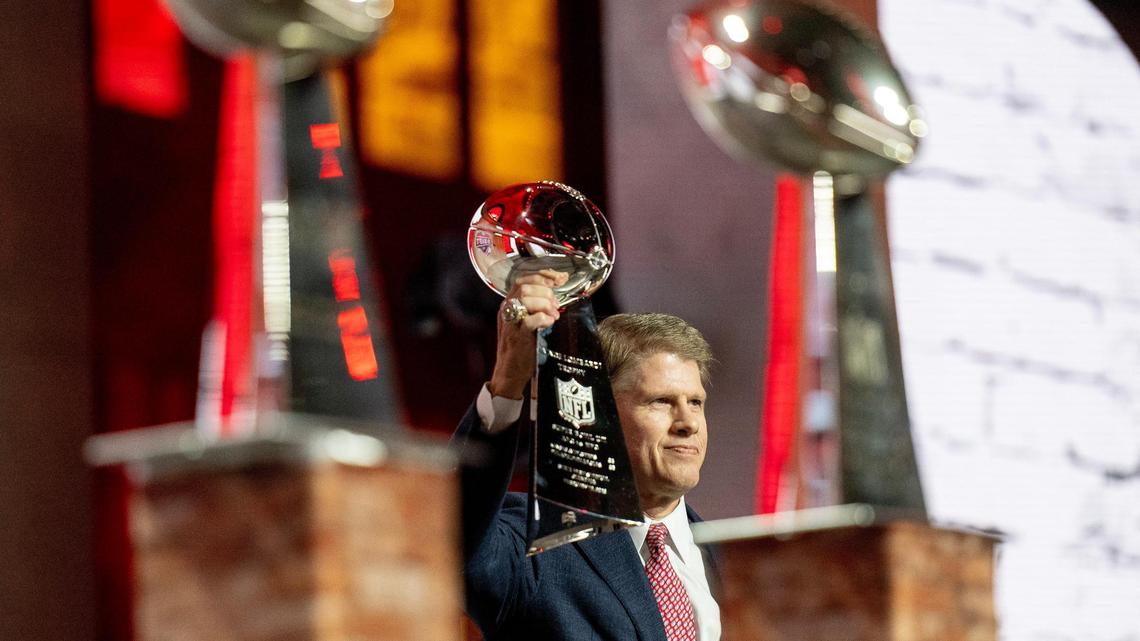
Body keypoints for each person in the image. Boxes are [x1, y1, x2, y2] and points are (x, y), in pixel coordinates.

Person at [453, 271, 721, 641]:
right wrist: (507, 384)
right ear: (599, 414)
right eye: (660, 401)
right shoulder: (537, 539)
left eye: (695, 402)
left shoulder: (729, 558)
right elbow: (452, 537)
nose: (688, 423)